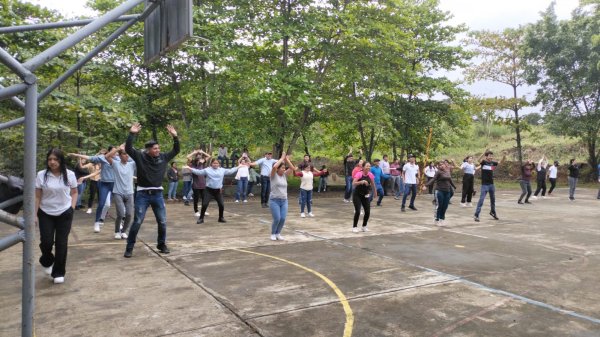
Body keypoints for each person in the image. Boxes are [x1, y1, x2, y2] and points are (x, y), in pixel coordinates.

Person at [124, 123, 180, 258]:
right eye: (155, 148)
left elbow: (176, 150)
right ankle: (129, 247)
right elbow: (128, 148)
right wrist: (132, 134)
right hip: (142, 194)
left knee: (162, 221)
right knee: (137, 221)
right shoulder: (140, 156)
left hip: (158, 195)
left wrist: (175, 137)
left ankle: (161, 245)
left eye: (158, 148)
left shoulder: (163, 157)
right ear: (148, 150)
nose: (158, 150)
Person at [35, 148, 78, 284]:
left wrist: (72, 208)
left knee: (61, 243)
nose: (52, 162)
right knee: (46, 242)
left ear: (60, 160)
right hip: (45, 212)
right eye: (50, 159)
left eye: (55, 159)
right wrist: (34, 214)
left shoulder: (69, 174)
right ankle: (46, 260)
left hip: (64, 212)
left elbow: (75, 192)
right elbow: (37, 196)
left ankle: (59, 272)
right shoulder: (42, 175)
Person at [187, 158, 240, 224]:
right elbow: (199, 172)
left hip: (218, 191)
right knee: (205, 204)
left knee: (221, 204)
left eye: (217, 163)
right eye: (214, 163)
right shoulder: (207, 170)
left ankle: (221, 218)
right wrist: (190, 169)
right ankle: (201, 218)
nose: (215, 164)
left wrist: (238, 166)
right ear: (211, 164)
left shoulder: (222, 170)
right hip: (208, 190)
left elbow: (230, 171)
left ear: (219, 164)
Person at [104, 145, 136, 240]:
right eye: (124, 154)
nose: (126, 156)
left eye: (127, 154)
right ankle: (117, 231)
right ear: (120, 156)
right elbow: (107, 157)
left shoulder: (132, 164)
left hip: (130, 193)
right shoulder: (116, 164)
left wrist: (130, 148)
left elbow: (139, 157)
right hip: (118, 192)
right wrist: (117, 149)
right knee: (121, 214)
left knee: (129, 214)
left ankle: (124, 231)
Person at [269, 154, 296, 240]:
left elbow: (292, 168)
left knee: (283, 218)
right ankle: (273, 233)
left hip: (284, 200)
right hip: (274, 200)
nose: (284, 169)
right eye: (282, 168)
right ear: (278, 169)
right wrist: (281, 159)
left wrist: (287, 160)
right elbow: (274, 167)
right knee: (277, 218)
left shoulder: (284, 175)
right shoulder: (273, 175)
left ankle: (278, 233)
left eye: (284, 168)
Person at [474, 150, 504, 222]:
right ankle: (476, 215)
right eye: (489, 156)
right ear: (486, 156)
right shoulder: (484, 162)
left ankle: (493, 212)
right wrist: (483, 153)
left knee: (493, 200)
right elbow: (478, 160)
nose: (491, 157)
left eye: (492, 155)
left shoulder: (493, 163)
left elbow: (501, 162)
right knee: (481, 200)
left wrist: (504, 156)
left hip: (491, 185)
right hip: (484, 185)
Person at [426, 161, 456, 227]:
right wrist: (426, 185)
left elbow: (450, 180)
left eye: (443, 165)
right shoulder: (438, 172)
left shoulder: (448, 171)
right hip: (439, 191)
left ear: (445, 165)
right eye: (440, 165)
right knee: (439, 206)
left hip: (447, 191)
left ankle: (442, 219)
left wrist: (454, 186)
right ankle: (436, 219)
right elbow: (433, 179)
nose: (441, 166)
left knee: (445, 206)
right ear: (438, 167)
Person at [352, 162, 376, 233]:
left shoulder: (370, 175)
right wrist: (361, 181)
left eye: (369, 166)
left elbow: (373, 184)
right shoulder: (359, 174)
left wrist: (375, 192)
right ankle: (355, 227)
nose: (368, 167)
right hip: (357, 195)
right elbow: (353, 183)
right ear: (363, 167)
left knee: (368, 211)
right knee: (358, 211)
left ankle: (364, 226)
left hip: (365, 195)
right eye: (367, 166)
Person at [187, 149, 211, 217]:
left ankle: (204, 210)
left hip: (203, 183)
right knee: (196, 199)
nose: (199, 156)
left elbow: (209, 156)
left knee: (204, 198)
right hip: (196, 184)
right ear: (196, 156)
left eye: (200, 155)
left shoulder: (202, 163)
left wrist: (202, 152)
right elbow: (188, 156)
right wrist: (194, 152)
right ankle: (196, 211)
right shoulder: (193, 163)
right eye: (198, 155)